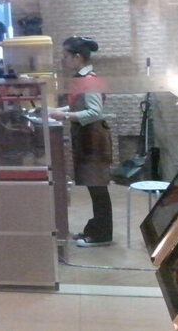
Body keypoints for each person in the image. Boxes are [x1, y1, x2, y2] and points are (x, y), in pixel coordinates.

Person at [48, 36, 113, 247]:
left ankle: (102, 235)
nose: (63, 60)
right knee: (94, 187)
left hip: (93, 139)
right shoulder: (81, 78)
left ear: (77, 57)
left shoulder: (89, 80)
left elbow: (95, 112)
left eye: (66, 56)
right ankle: (95, 228)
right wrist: (58, 111)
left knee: (98, 188)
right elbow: (79, 106)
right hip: (87, 137)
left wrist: (65, 116)